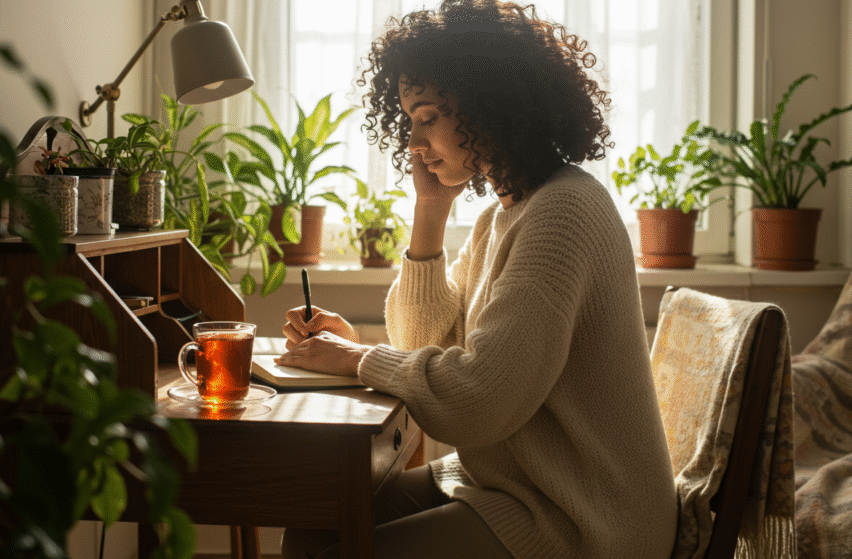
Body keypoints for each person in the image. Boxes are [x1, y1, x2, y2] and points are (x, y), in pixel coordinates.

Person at [276, 1, 678, 558]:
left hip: (583, 520)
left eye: (426, 117)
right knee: (311, 524)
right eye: (408, 122)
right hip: (512, 488)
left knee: (330, 547)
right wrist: (430, 211)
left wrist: (354, 359)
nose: (413, 144)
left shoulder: (564, 211)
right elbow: (422, 345)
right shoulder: (503, 215)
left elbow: (478, 400)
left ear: (489, 103)